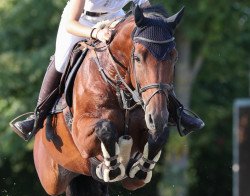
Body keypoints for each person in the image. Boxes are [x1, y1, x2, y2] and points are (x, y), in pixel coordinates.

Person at [10, 0, 204, 141]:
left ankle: (176, 112)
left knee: (149, 59)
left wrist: (157, 28)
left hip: (116, 20)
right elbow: (71, 22)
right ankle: (37, 116)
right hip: (81, 22)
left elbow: (146, 9)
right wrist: (95, 33)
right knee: (61, 61)